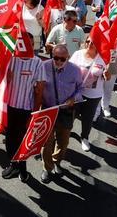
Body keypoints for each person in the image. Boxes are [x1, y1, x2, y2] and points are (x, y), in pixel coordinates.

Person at [0, 38, 46, 182]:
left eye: (30, 44)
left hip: (26, 109)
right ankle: (13, 164)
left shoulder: (38, 62)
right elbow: (3, 82)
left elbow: (39, 91)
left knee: (23, 140)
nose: (27, 47)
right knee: (10, 138)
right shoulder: (12, 60)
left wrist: (35, 113)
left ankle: (23, 169)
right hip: (11, 107)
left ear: (33, 45)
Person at [40, 44, 83, 180]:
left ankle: (57, 161)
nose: (58, 61)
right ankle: (47, 167)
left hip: (66, 111)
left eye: (62, 59)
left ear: (68, 58)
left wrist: (73, 98)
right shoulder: (44, 66)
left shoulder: (75, 70)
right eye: (55, 58)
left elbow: (81, 89)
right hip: (48, 109)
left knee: (63, 142)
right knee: (46, 142)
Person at [70, 37, 107, 152]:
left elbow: (107, 76)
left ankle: (84, 137)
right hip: (75, 93)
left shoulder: (103, 58)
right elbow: (69, 69)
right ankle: (65, 135)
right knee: (70, 116)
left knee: (88, 119)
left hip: (93, 95)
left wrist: (107, 75)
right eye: (88, 41)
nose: (90, 44)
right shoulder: (77, 54)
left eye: (93, 42)